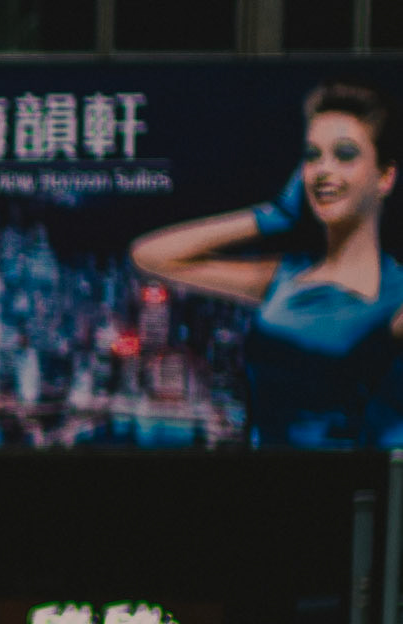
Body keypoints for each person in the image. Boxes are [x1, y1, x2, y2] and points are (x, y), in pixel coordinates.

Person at [133, 81, 403, 447]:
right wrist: (270, 216)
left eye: (344, 154)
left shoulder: (396, 296)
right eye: (312, 155)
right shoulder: (285, 277)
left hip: (350, 488)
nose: (323, 170)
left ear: (385, 177)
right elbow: (150, 257)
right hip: (266, 481)